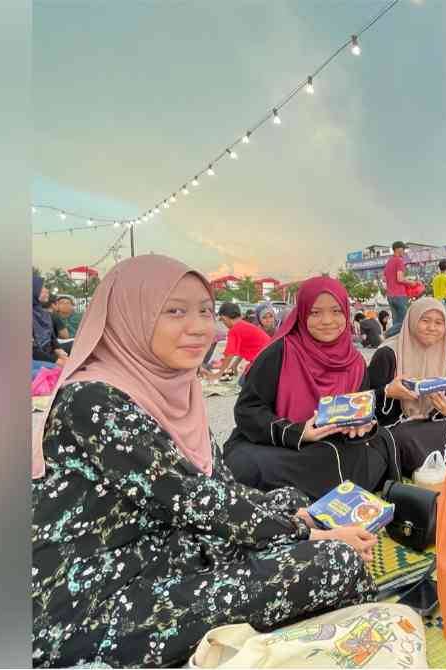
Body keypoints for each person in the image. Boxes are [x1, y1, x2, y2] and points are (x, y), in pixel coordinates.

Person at [31, 256, 377, 668]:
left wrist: (296, 515)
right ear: (130, 314)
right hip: (90, 601)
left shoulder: (177, 387)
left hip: (166, 549)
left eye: (205, 312)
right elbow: (198, 497)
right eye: (175, 311)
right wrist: (305, 532)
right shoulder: (93, 399)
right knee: (333, 562)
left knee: (288, 497)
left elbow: (220, 486)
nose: (201, 328)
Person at [223, 277, 402, 501]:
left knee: (377, 443)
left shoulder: (355, 363)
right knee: (245, 465)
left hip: (328, 445)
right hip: (279, 445)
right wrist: (297, 432)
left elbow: (356, 410)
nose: (327, 321)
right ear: (301, 314)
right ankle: (325, 494)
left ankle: (305, 495)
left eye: (336, 311)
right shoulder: (280, 352)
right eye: (315, 313)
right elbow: (247, 411)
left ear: (346, 313)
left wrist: (360, 426)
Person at [367, 297, 446, 474]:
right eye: (425, 321)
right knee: (405, 438)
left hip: (426, 427)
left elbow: (440, 403)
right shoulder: (388, 354)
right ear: (412, 320)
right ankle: (430, 458)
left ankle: (424, 460)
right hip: (397, 430)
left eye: (439, 323)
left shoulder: (439, 355)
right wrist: (388, 393)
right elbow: (366, 405)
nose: (432, 328)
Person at [211, 302, 272, 382]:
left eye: (222, 320)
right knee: (243, 381)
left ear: (224, 318)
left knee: (244, 383)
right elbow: (246, 349)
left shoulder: (234, 330)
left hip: (264, 363)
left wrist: (219, 374)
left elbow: (229, 355)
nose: (224, 323)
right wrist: (235, 365)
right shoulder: (243, 325)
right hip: (270, 360)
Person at [32, 275, 68, 366]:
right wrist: (57, 361)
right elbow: (33, 351)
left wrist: (60, 352)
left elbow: (52, 340)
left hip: (47, 353)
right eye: (42, 287)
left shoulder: (44, 314)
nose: (47, 290)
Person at [383, 241, 413, 336]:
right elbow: (400, 278)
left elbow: (384, 279)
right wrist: (411, 282)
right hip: (399, 295)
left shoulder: (389, 262)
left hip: (390, 295)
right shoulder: (399, 260)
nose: (404, 251)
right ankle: (387, 334)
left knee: (396, 322)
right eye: (403, 249)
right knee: (405, 321)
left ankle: (394, 343)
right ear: (398, 249)